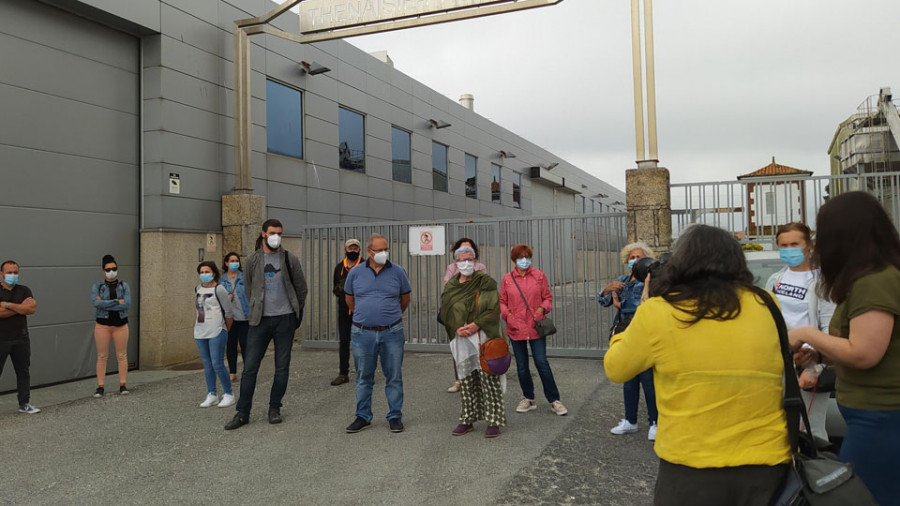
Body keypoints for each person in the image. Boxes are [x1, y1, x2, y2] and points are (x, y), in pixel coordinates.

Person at [604, 225, 791, 505]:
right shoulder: (766, 302)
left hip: (690, 466)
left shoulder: (659, 310)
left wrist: (639, 313)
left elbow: (616, 368)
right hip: (767, 463)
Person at [788, 192, 900, 506]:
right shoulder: (869, 278)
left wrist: (807, 334)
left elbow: (864, 352)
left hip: (881, 418)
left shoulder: (875, 281)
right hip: (871, 417)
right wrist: (822, 354)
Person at [225, 219, 308, 430]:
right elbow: (250, 289)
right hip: (259, 320)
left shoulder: (290, 259)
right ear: (263, 234)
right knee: (250, 367)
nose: (276, 236)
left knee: (282, 367)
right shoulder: (253, 259)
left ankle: (274, 408)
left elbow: (301, 288)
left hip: (284, 319)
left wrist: (295, 314)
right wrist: (256, 308)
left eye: (279, 233)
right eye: (272, 232)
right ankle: (242, 413)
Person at [765, 223, 835, 442]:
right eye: (783, 245)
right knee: (779, 431)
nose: (789, 249)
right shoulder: (775, 280)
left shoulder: (822, 282)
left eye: (795, 244)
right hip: (780, 364)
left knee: (810, 432)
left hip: (808, 365)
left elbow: (829, 330)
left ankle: (814, 473)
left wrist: (816, 367)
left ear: (809, 246)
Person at [344, 234, 411, 434]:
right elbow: (350, 299)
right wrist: (366, 315)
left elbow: (405, 299)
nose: (383, 253)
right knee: (364, 376)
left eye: (385, 249)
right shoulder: (355, 273)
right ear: (369, 252)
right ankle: (363, 416)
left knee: (394, 376)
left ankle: (395, 416)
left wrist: (389, 316)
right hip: (362, 333)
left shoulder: (398, 272)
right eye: (378, 250)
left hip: (392, 332)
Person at [440, 245, 505, 437]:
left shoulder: (485, 281)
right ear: (455, 263)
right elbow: (445, 311)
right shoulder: (451, 285)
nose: (466, 263)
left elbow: (493, 308)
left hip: (482, 336)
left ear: (476, 262)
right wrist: (457, 326)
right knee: (466, 378)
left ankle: (493, 421)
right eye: (462, 260)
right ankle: (467, 419)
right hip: (461, 338)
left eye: (470, 259)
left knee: (488, 378)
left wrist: (476, 324)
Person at [599, 242, 658, 439]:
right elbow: (604, 302)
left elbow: (644, 306)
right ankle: (630, 420)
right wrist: (607, 290)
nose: (635, 261)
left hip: (643, 333)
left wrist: (623, 302)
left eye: (639, 257)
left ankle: (655, 422)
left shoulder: (652, 281)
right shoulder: (622, 280)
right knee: (629, 379)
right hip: (625, 333)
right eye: (632, 257)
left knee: (648, 380)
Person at [499, 244, 567, 416]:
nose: (524, 260)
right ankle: (528, 398)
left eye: (527, 257)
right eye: (520, 257)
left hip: (535, 326)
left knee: (541, 363)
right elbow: (502, 301)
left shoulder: (539, 276)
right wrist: (507, 315)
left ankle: (554, 400)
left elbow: (547, 298)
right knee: (522, 366)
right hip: (515, 327)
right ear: (514, 259)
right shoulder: (507, 278)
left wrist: (542, 309)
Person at [443, 237, 487, 394]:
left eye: (469, 250)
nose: (465, 254)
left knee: (478, 348)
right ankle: (459, 380)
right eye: (461, 250)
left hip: (476, 315)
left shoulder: (480, 267)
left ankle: (481, 380)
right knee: (458, 349)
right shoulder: (452, 267)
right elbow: (448, 287)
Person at [0, 260, 39, 414]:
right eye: (9, 272)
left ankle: (24, 404)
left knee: (23, 371)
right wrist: (20, 308)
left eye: (15, 272)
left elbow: (31, 309)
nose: (13, 275)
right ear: (1, 274)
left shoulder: (24, 290)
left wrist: (7, 305)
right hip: (1, 339)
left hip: (21, 338)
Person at [194, 261, 234, 408]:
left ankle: (228, 393)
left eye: (207, 271)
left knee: (217, 364)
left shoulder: (220, 289)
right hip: (200, 330)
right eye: (202, 272)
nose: (204, 274)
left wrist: (225, 329)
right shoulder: (198, 288)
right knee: (207, 364)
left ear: (214, 273)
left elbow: (229, 312)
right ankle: (212, 393)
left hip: (216, 330)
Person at [91, 254, 131, 397]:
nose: (111, 271)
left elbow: (126, 304)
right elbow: (96, 303)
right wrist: (116, 301)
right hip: (103, 325)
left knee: (122, 355)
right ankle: (100, 386)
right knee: (102, 356)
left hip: (121, 324)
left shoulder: (124, 285)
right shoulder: (98, 286)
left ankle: (123, 384)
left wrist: (105, 303)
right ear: (103, 271)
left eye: (114, 268)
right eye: (108, 269)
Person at [331, 238, 362, 386]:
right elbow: (335, 288)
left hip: (361, 310)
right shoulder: (339, 267)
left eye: (356, 248)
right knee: (344, 342)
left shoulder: (365, 265)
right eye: (351, 248)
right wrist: (342, 289)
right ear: (345, 250)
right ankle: (343, 373)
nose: (353, 251)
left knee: (362, 342)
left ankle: (364, 373)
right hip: (344, 311)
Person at [220, 252, 250, 382]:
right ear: (226, 263)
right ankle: (232, 372)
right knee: (231, 345)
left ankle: (248, 370)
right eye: (231, 261)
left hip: (244, 317)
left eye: (236, 260)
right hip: (229, 318)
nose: (234, 263)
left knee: (246, 345)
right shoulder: (221, 280)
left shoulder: (244, 278)